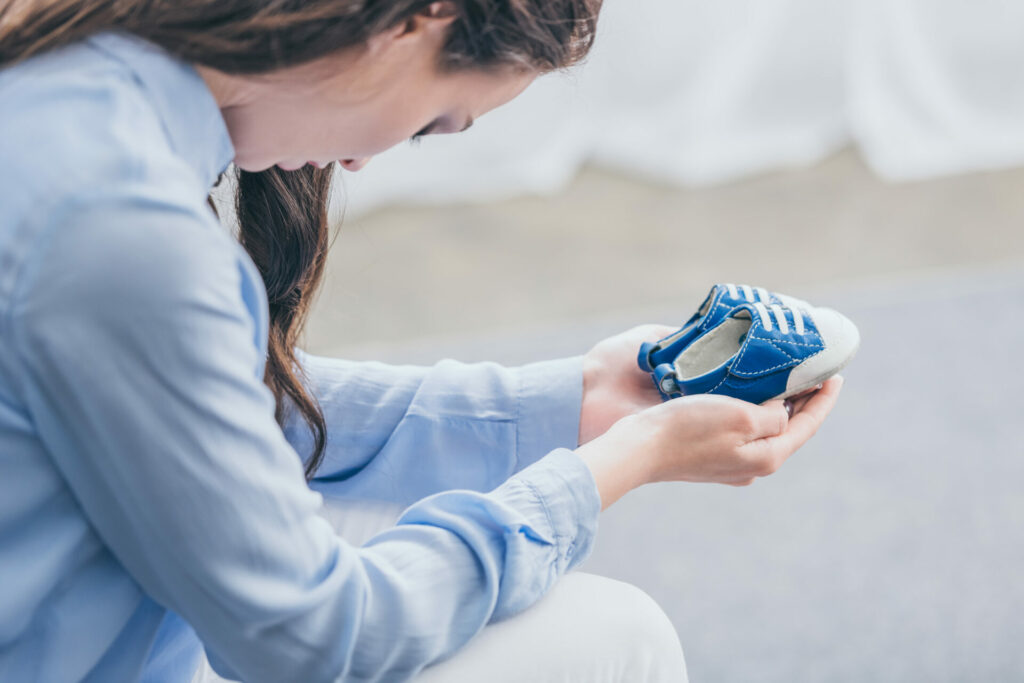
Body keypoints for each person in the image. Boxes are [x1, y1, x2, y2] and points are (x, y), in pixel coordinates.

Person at [0, 1, 843, 681]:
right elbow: (319, 636)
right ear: (418, 19)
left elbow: (201, 404)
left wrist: (570, 399)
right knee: (619, 638)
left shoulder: (59, 79)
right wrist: (617, 466)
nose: (367, 162)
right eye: (433, 122)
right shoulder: (120, 234)